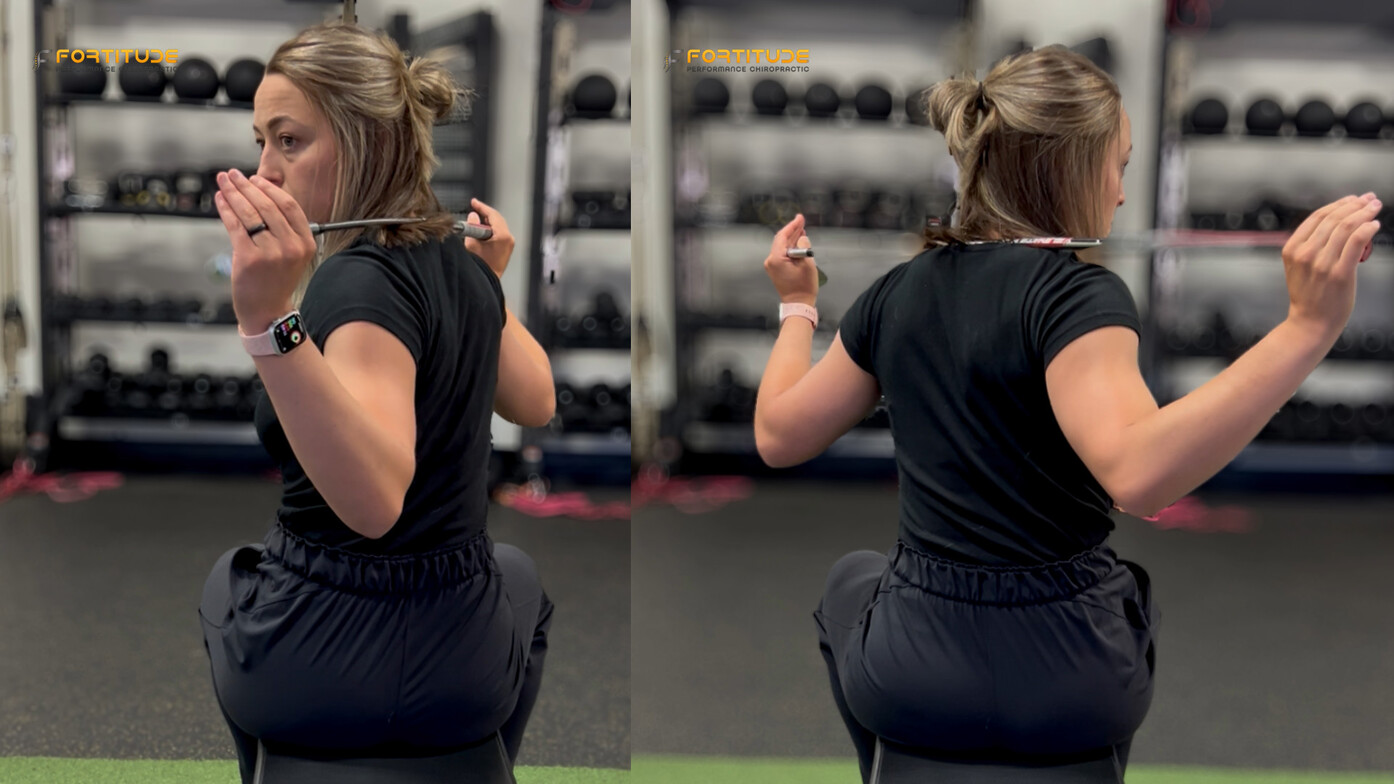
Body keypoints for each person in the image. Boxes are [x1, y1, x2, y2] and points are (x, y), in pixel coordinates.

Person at [753, 46, 1380, 782]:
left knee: (853, 580)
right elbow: (1140, 476)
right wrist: (1307, 329)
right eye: (1119, 166)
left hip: (913, 674)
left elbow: (778, 435)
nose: (1121, 195)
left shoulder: (897, 292)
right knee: (1128, 595)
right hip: (1069, 681)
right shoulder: (1078, 296)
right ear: (1072, 170)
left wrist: (797, 306)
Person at [196, 24, 556, 784]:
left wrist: (267, 319)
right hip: (461, 665)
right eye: (261, 143)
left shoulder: (354, 282)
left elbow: (374, 504)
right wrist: (486, 282)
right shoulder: (454, 258)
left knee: (227, 580)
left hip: (321, 663)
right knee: (518, 577)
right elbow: (536, 400)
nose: (266, 171)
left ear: (366, 139)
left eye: (289, 141)